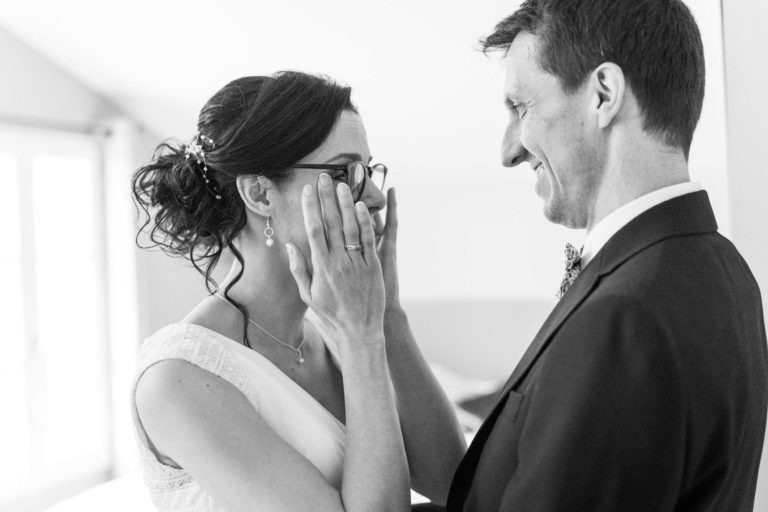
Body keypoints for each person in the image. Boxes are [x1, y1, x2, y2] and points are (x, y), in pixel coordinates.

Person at [438, 1, 768, 511]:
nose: (509, 150)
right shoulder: (723, 269)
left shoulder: (622, 319)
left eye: (520, 107)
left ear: (603, 95)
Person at [130, 71, 466, 512]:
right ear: (259, 194)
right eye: (344, 172)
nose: (376, 197)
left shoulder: (334, 329)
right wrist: (363, 337)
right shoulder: (177, 380)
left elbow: (453, 485)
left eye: (369, 170)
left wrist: (387, 316)